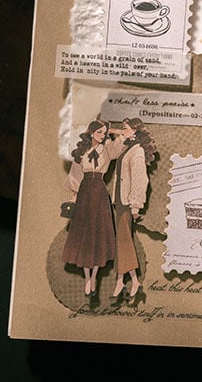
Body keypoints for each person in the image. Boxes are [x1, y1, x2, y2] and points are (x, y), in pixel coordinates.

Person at [61, 119, 125, 298]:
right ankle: (87, 277)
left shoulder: (107, 149)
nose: (102, 135)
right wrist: (74, 198)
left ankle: (94, 277)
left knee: (99, 233)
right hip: (84, 193)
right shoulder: (82, 151)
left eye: (104, 133)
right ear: (91, 132)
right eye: (99, 132)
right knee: (84, 233)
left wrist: (113, 132)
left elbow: (118, 148)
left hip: (99, 191)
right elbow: (75, 176)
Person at [110, 117, 156, 305]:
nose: (122, 130)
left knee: (124, 241)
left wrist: (136, 206)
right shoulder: (126, 147)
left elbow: (140, 180)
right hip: (120, 200)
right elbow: (112, 154)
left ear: (135, 131)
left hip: (128, 203)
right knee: (122, 241)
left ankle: (130, 281)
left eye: (125, 128)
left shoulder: (137, 151)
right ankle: (125, 281)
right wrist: (120, 136)